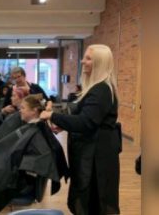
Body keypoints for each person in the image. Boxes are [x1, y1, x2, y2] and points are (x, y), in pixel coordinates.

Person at [40, 44, 121, 215]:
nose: (83, 61)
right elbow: (84, 117)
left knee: (95, 202)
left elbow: (85, 122)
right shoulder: (95, 89)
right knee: (86, 199)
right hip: (89, 153)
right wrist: (64, 123)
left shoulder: (102, 90)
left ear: (99, 63)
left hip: (97, 159)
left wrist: (52, 116)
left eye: (88, 58)